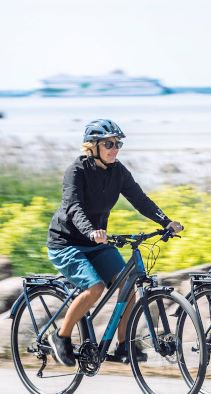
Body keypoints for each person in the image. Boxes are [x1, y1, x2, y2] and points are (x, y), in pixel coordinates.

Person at [46, 119, 183, 367]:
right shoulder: (76, 171)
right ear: (92, 146)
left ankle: (123, 346)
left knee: (128, 285)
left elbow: (140, 200)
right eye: (109, 143)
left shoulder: (118, 171)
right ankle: (60, 336)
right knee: (95, 289)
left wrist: (167, 222)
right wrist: (90, 231)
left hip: (97, 242)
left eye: (118, 143)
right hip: (67, 243)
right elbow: (73, 207)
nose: (115, 148)